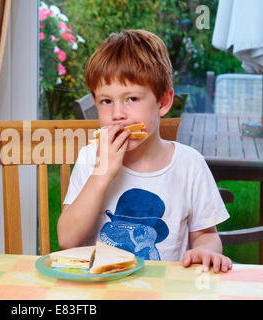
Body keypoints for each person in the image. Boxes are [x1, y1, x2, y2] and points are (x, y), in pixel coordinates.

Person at [57, 29, 232, 273]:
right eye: (106, 101)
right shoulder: (90, 158)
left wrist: (206, 250)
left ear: (163, 102)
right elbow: (67, 239)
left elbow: (206, 235)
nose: (118, 114)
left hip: (165, 291)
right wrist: (101, 176)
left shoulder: (189, 164)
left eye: (132, 99)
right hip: (100, 289)